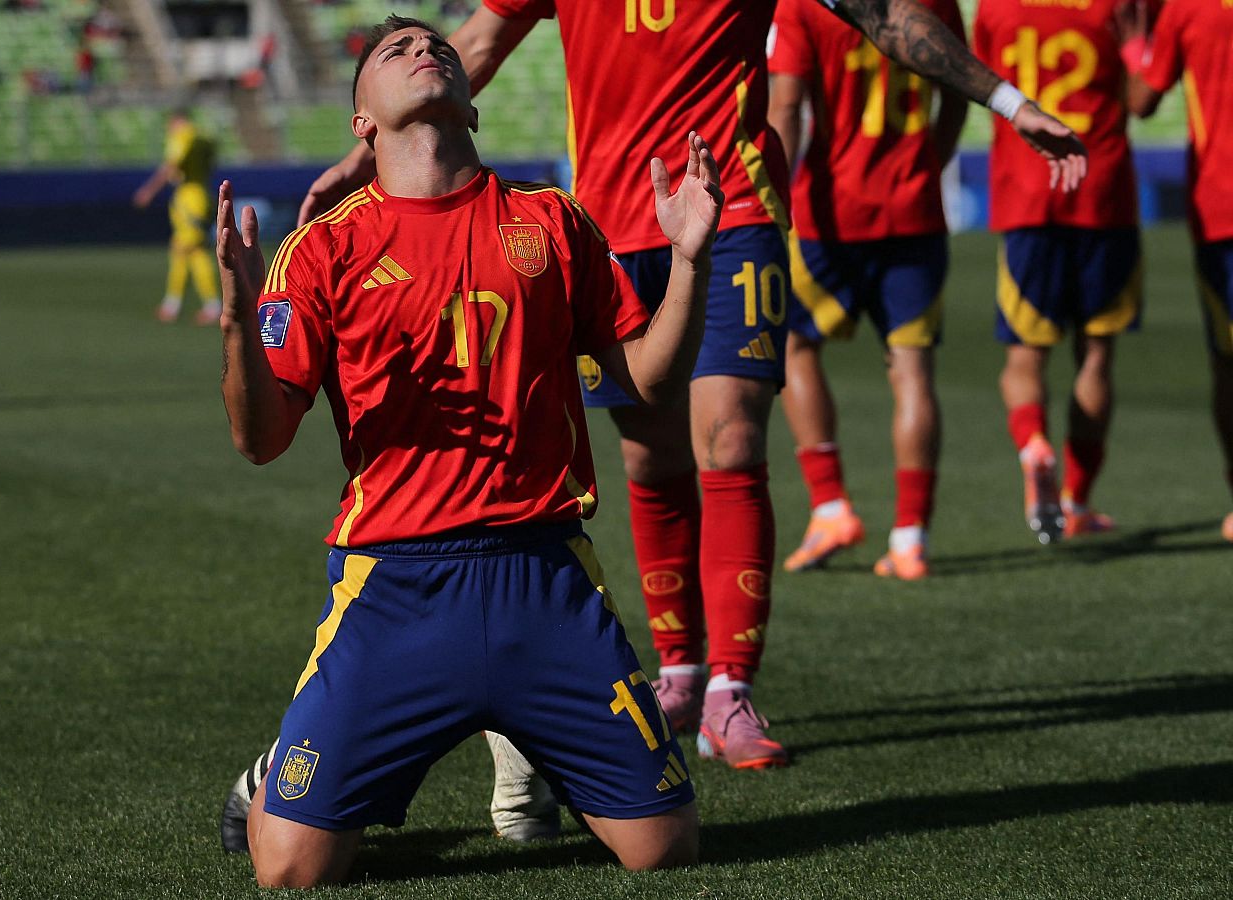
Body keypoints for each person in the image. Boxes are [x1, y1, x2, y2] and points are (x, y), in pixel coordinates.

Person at [294, 0, 1084, 787]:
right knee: (649, 456)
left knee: (730, 436)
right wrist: (381, 148)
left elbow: (883, 15)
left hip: (729, 206)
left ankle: (731, 691)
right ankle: (680, 671)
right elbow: (480, 40)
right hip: (609, 221)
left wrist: (1008, 103)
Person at [216, 17, 721, 886]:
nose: (424, 53)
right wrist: (236, 316)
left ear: (474, 107)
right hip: (396, 585)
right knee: (290, 871)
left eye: (437, 48)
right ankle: (282, 770)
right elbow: (260, 441)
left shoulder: (550, 220)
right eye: (393, 53)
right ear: (361, 120)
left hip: (545, 577)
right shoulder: (324, 248)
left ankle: (535, 730)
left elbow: (648, 380)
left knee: (665, 850)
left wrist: (689, 261)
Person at [768, 0, 967, 579]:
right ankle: (911, 538)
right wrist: (929, 165)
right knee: (912, 373)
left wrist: (771, 193)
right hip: (916, 212)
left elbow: (787, 108)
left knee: (795, 347)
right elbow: (957, 95)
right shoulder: (935, 3)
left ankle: (831, 507)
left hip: (832, 214)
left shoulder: (805, 6)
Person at [974, 0, 1145, 543]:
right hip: (1102, 193)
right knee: (1096, 355)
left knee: (1024, 357)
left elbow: (977, 86)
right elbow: (1140, 99)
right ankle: (1076, 500)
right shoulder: (1114, 6)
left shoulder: (996, 10)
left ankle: (1033, 444)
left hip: (1028, 196)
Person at [1126, 0, 1233, 543]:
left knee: (1229, 364)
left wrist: (1131, 38)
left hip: (1223, 205)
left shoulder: (1188, 7)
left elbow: (1141, 101)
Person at [133, 109, 220, 324]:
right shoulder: (205, 137)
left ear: (176, 121)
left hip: (189, 198)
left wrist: (148, 190)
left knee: (183, 248)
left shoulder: (182, 137)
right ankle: (182, 304)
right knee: (192, 251)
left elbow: (171, 165)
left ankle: (185, 304)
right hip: (202, 193)